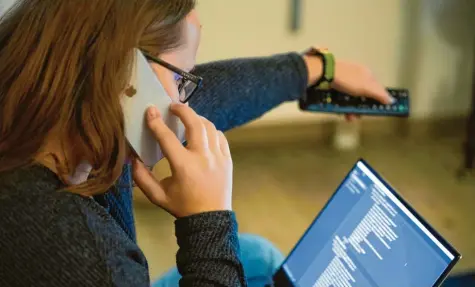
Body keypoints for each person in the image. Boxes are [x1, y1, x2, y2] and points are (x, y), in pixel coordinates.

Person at [0, 1, 394, 287]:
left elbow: (201, 100)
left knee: (256, 255)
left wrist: (316, 68)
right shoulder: (85, 258)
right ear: (125, 79)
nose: (185, 100)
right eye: (182, 78)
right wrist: (207, 221)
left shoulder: (45, 103)